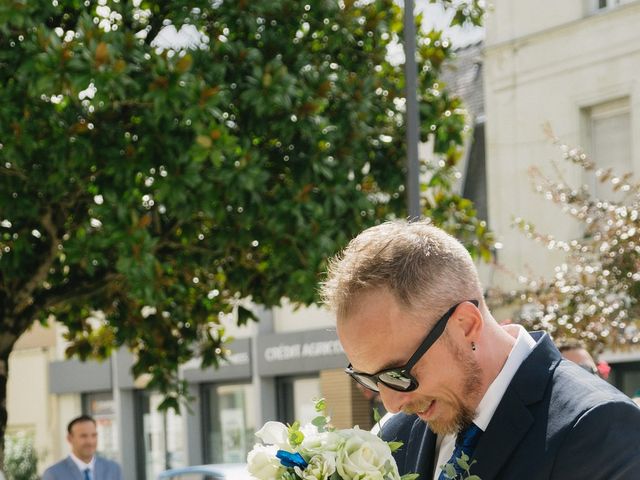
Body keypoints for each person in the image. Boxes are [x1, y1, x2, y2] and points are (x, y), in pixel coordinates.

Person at [321, 220, 640, 480]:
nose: (391, 401)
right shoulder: (396, 435)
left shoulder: (598, 427)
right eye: (369, 378)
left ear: (465, 324)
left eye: (398, 373)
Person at [42, 415, 123, 480]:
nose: (90, 442)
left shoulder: (113, 469)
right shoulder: (53, 474)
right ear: (69, 439)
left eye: (94, 435)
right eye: (83, 436)